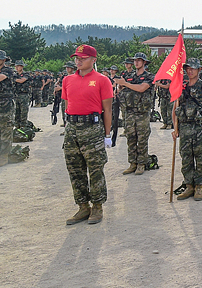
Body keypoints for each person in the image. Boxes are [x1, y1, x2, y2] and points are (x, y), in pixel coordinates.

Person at [61, 45, 113, 224]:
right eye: (77, 57)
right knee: (75, 169)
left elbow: (107, 110)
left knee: (96, 169)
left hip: (92, 129)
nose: (78, 60)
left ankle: (97, 206)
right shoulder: (67, 80)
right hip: (72, 129)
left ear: (93, 60)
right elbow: (68, 104)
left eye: (83, 58)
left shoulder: (102, 80)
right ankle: (83, 206)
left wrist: (107, 135)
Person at [172, 58, 202, 200]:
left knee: (200, 158)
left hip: (200, 128)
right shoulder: (181, 86)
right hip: (184, 127)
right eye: (187, 68)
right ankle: (189, 185)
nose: (190, 71)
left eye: (193, 68)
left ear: (199, 70)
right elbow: (176, 108)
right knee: (186, 158)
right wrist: (175, 128)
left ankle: (199, 186)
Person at [116, 53, 155, 176]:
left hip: (142, 112)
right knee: (131, 138)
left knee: (142, 138)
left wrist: (125, 83)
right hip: (129, 111)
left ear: (144, 63)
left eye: (139, 60)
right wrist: (120, 86)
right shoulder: (129, 76)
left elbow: (142, 88)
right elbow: (119, 90)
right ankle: (132, 163)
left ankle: (141, 164)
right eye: (135, 60)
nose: (136, 63)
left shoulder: (149, 76)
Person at [11, 60, 32, 128]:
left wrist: (13, 79)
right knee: (16, 111)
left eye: (18, 66)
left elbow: (21, 80)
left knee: (23, 111)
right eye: (15, 66)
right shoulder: (14, 75)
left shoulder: (26, 74)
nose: (16, 68)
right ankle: (17, 126)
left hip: (24, 95)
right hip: (16, 95)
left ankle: (23, 125)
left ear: (22, 66)